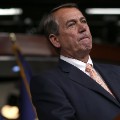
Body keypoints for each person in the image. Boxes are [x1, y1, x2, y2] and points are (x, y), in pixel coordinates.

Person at [30, 3, 120, 120]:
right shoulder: (47, 83)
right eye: (72, 24)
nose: (83, 28)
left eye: (83, 21)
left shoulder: (117, 72)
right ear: (56, 40)